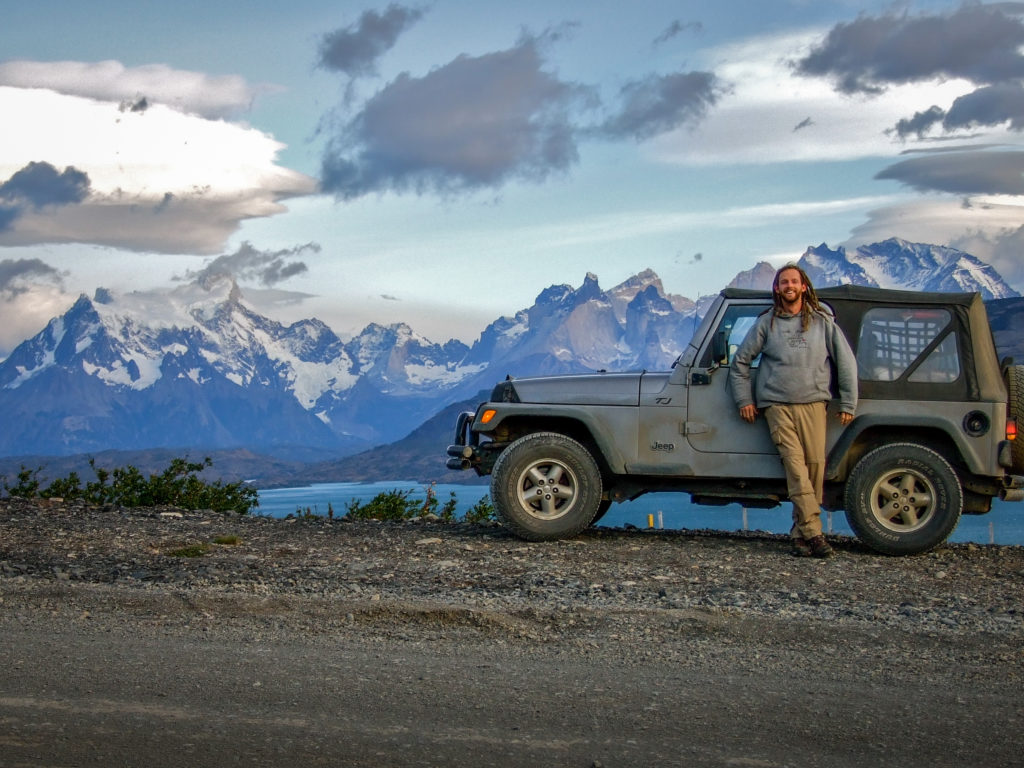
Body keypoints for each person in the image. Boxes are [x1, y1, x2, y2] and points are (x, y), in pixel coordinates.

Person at [729, 264, 857, 558]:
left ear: (803, 287)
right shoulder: (766, 324)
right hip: (776, 406)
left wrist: (848, 402)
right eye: (783, 281)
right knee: (796, 467)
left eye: (794, 281)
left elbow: (845, 362)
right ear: (777, 288)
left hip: (813, 403)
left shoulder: (823, 322)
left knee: (814, 468)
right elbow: (740, 363)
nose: (789, 285)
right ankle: (815, 534)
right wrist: (744, 400)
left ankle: (799, 535)